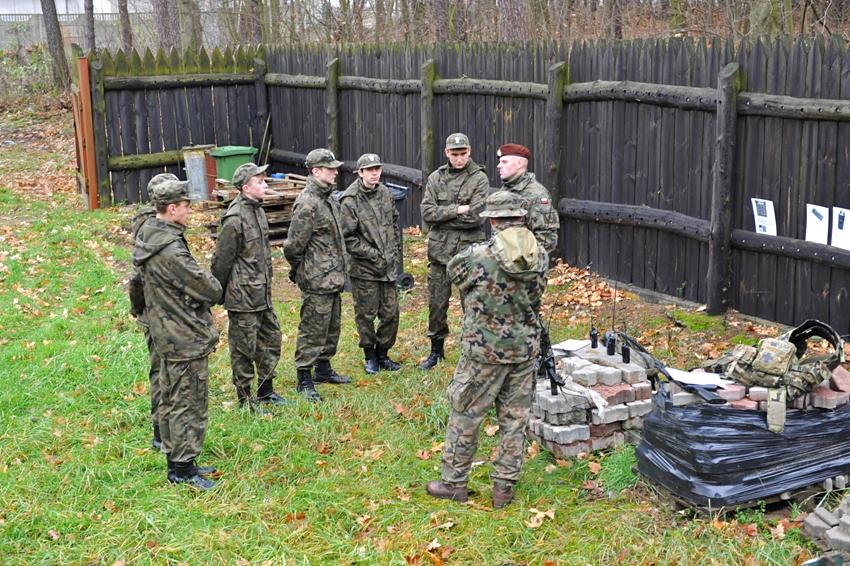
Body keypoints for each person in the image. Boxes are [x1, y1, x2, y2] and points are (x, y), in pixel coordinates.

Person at [426, 191, 549, 509]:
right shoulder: (540, 255)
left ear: (492, 220)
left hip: (483, 353)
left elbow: (454, 275)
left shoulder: (476, 256)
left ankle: (454, 483)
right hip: (523, 350)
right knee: (515, 421)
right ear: (521, 218)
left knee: (465, 414)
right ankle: (503, 489)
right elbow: (536, 298)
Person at [132, 179, 222, 490]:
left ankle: (180, 460)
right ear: (171, 209)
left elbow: (136, 283)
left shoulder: (149, 234)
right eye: (185, 206)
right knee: (188, 400)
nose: (188, 212)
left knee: (172, 396)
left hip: (164, 330)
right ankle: (182, 470)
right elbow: (208, 288)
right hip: (183, 334)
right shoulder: (170, 250)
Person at [211, 162, 287, 413]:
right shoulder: (235, 219)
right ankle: (245, 399)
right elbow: (221, 261)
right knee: (244, 349)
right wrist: (218, 293)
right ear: (246, 187)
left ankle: (266, 391)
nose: (265, 185)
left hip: (262, 294)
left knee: (271, 340)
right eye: (260, 181)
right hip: (242, 297)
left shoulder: (258, 211)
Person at [284, 148, 351, 402]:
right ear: (315, 171)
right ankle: (304, 378)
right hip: (316, 278)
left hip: (333, 277)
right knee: (313, 329)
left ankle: (323, 368)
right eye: (330, 168)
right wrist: (302, 269)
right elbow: (293, 246)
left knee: (331, 326)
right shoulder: (308, 203)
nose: (335, 172)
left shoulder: (328, 198)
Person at [418, 133, 489, 369]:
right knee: (437, 305)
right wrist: (458, 209)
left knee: (472, 303)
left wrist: (444, 217)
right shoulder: (436, 178)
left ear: (469, 151)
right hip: (439, 253)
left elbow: (477, 217)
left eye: (463, 153)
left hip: (469, 254)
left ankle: (472, 351)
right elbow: (427, 213)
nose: (459, 158)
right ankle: (436, 351)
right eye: (454, 154)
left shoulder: (479, 178)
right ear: (447, 153)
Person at [339, 153, 403, 374]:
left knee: (391, 313)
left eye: (377, 169)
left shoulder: (385, 193)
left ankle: (383, 353)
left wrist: (394, 250)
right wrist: (373, 255)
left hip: (388, 267)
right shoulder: (350, 199)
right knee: (366, 314)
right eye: (370, 170)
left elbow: (394, 222)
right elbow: (347, 237)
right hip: (364, 269)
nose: (375, 173)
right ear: (360, 172)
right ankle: (370, 355)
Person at [128, 172, 178, 450]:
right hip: (156, 312)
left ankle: (167, 427)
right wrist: (139, 310)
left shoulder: (157, 228)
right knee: (161, 370)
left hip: (163, 311)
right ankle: (160, 431)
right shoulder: (152, 231)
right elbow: (137, 278)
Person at [496, 143, 559, 254]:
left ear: (520, 163)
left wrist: (523, 260)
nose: (499, 166)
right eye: (499, 162)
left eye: (504, 162)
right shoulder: (505, 190)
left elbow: (546, 239)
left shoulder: (536, 194)